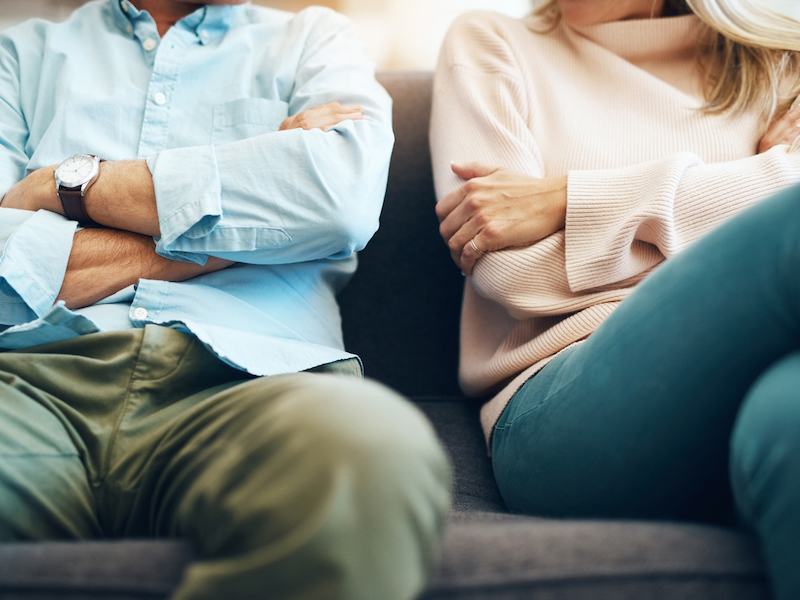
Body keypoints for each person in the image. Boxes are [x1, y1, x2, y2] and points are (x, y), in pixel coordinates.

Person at [0, 1, 452, 599]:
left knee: (376, 448)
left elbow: (338, 201)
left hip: (256, 383)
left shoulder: (315, 41)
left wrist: (62, 188)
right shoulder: (16, 52)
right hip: (30, 382)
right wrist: (259, 219)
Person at [431, 0, 800, 597]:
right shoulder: (491, 44)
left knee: (791, 415)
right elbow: (510, 273)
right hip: (561, 406)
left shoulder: (783, 60)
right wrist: (746, 185)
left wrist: (567, 202)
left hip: (748, 386)